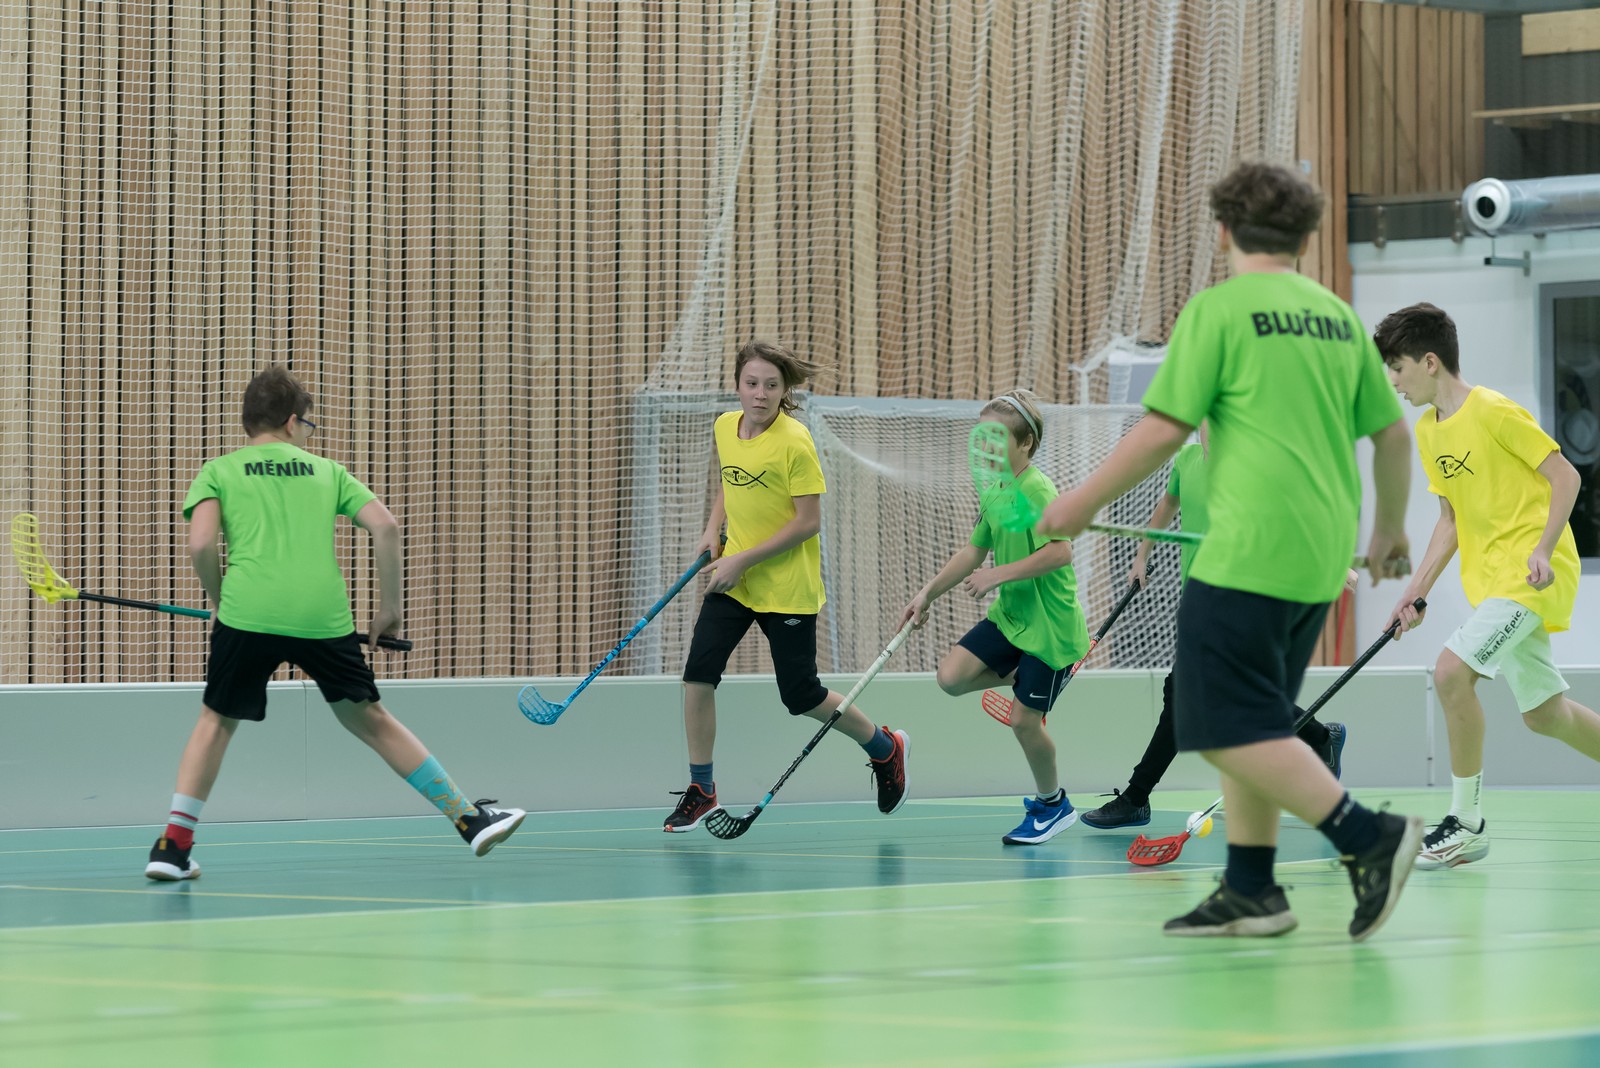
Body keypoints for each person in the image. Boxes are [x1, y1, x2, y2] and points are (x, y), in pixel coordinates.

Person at [1037, 161, 1421, 941]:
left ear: (1222, 232)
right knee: (1259, 722)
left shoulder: (1218, 310)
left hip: (1246, 551)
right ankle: (1252, 889)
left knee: (1212, 724)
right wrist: (1389, 530)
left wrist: (1079, 502)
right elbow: (1392, 434)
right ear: (1307, 237)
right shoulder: (1338, 318)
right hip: (1320, 556)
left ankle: (1369, 837)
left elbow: (1162, 431)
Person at [146, 366, 524, 881]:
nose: (307, 434)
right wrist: (389, 609)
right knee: (370, 719)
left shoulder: (218, 471)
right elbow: (386, 526)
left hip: (248, 613)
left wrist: (218, 600)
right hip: (321, 617)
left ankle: (172, 848)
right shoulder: (327, 472)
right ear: (291, 421)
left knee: (215, 723)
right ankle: (468, 819)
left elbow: (200, 544)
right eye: (307, 425)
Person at [1378, 301, 1600, 869]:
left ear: (1430, 362)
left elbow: (1566, 476)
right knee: (1544, 714)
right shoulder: (1429, 431)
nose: (1394, 381)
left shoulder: (1494, 411)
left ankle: (1467, 823)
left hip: (1532, 575)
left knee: (1451, 673)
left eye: (1398, 368)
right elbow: (1450, 520)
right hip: (1492, 582)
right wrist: (1415, 592)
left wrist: (1543, 548)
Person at [663, 340, 909, 832]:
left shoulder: (795, 441)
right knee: (698, 676)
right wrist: (713, 529)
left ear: (784, 390)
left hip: (785, 587)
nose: (760, 394)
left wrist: (742, 559)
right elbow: (733, 480)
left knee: (802, 696)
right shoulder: (725, 427)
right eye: (751, 383)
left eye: (771, 385)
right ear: (737, 385)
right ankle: (702, 788)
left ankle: (885, 748)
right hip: (736, 582)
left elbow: (807, 522)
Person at [1081, 425, 1353, 831]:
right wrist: (1142, 554)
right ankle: (1319, 737)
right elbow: (1168, 503)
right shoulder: (1186, 460)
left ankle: (1136, 797)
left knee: (1182, 692)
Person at [899, 390, 1089, 844]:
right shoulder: (997, 487)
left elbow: (1061, 552)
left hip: (1050, 629)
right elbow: (973, 551)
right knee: (950, 678)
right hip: (1011, 617)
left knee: (1024, 722)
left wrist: (996, 575)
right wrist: (927, 594)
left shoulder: (1037, 488)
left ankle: (1053, 805)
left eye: (997, 437)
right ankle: (1025, 680)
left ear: (1025, 443)